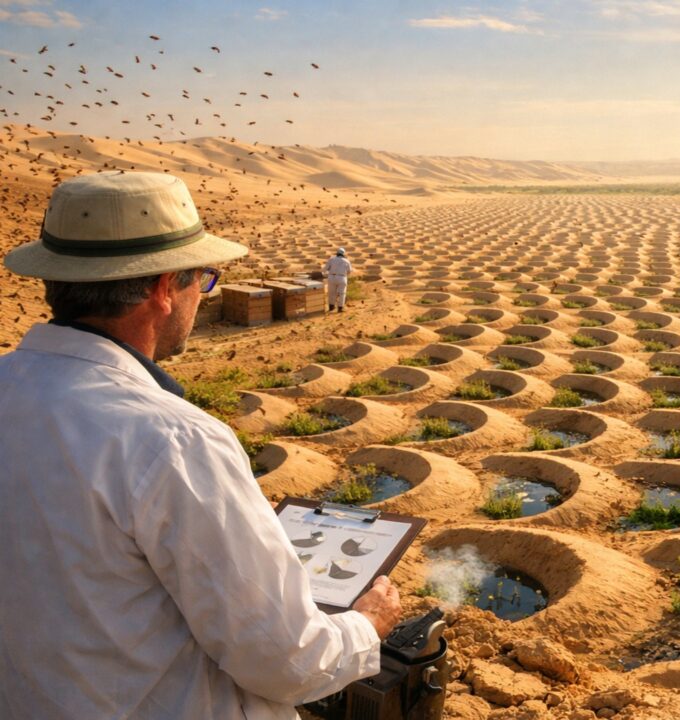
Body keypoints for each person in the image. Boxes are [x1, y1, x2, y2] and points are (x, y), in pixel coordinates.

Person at [0, 172, 401, 719]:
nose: (202, 296)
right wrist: (365, 625)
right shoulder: (171, 438)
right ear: (165, 287)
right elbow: (286, 660)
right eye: (203, 279)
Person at [323, 246, 352, 312]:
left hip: (332, 277)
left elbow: (325, 268)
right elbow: (349, 271)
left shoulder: (332, 259)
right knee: (342, 293)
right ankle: (340, 308)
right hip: (342, 277)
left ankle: (331, 307)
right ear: (343, 254)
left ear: (337, 253)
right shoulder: (346, 261)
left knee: (331, 293)